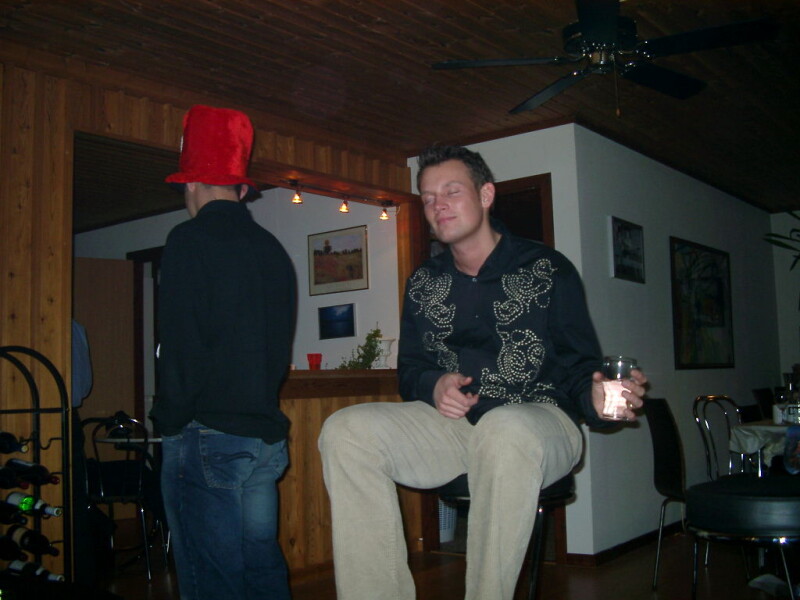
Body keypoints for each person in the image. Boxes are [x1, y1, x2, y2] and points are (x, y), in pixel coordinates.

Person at [318, 145, 648, 600]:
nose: (438, 205)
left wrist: (597, 399)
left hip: (540, 422)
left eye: (451, 191)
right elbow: (411, 369)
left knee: (504, 428)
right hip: (455, 428)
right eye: (429, 197)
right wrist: (434, 384)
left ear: (486, 195)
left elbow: (579, 365)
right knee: (346, 430)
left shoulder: (547, 269)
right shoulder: (423, 282)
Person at [151, 104, 297, 600]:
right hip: (264, 441)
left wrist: (168, 420)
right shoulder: (272, 250)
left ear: (191, 184)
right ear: (241, 189)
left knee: (211, 579)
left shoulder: (188, 239)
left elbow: (181, 346)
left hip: (207, 437)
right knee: (261, 570)